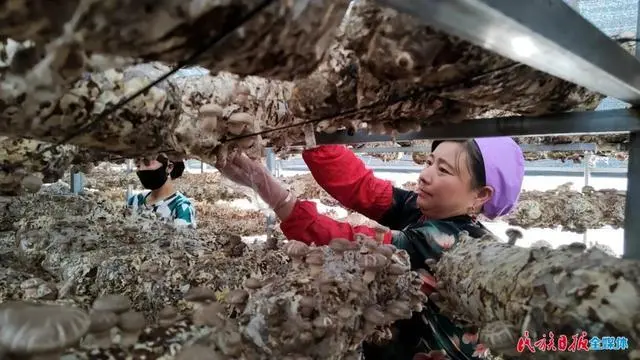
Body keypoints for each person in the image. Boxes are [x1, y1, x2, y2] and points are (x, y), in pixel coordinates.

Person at [217, 138, 524, 360]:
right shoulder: (423, 210)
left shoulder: (454, 241)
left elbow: (345, 241)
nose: (425, 174)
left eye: (443, 170)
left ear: (480, 195)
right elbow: (363, 188)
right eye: (430, 161)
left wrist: (264, 184)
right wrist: (314, 136)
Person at [127, 154, 197, 228]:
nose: (141, 169)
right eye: (138, 165)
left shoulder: (181, 207)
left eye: (147, 162)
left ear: (169, 167)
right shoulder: (135, 200)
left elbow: (182, 237)